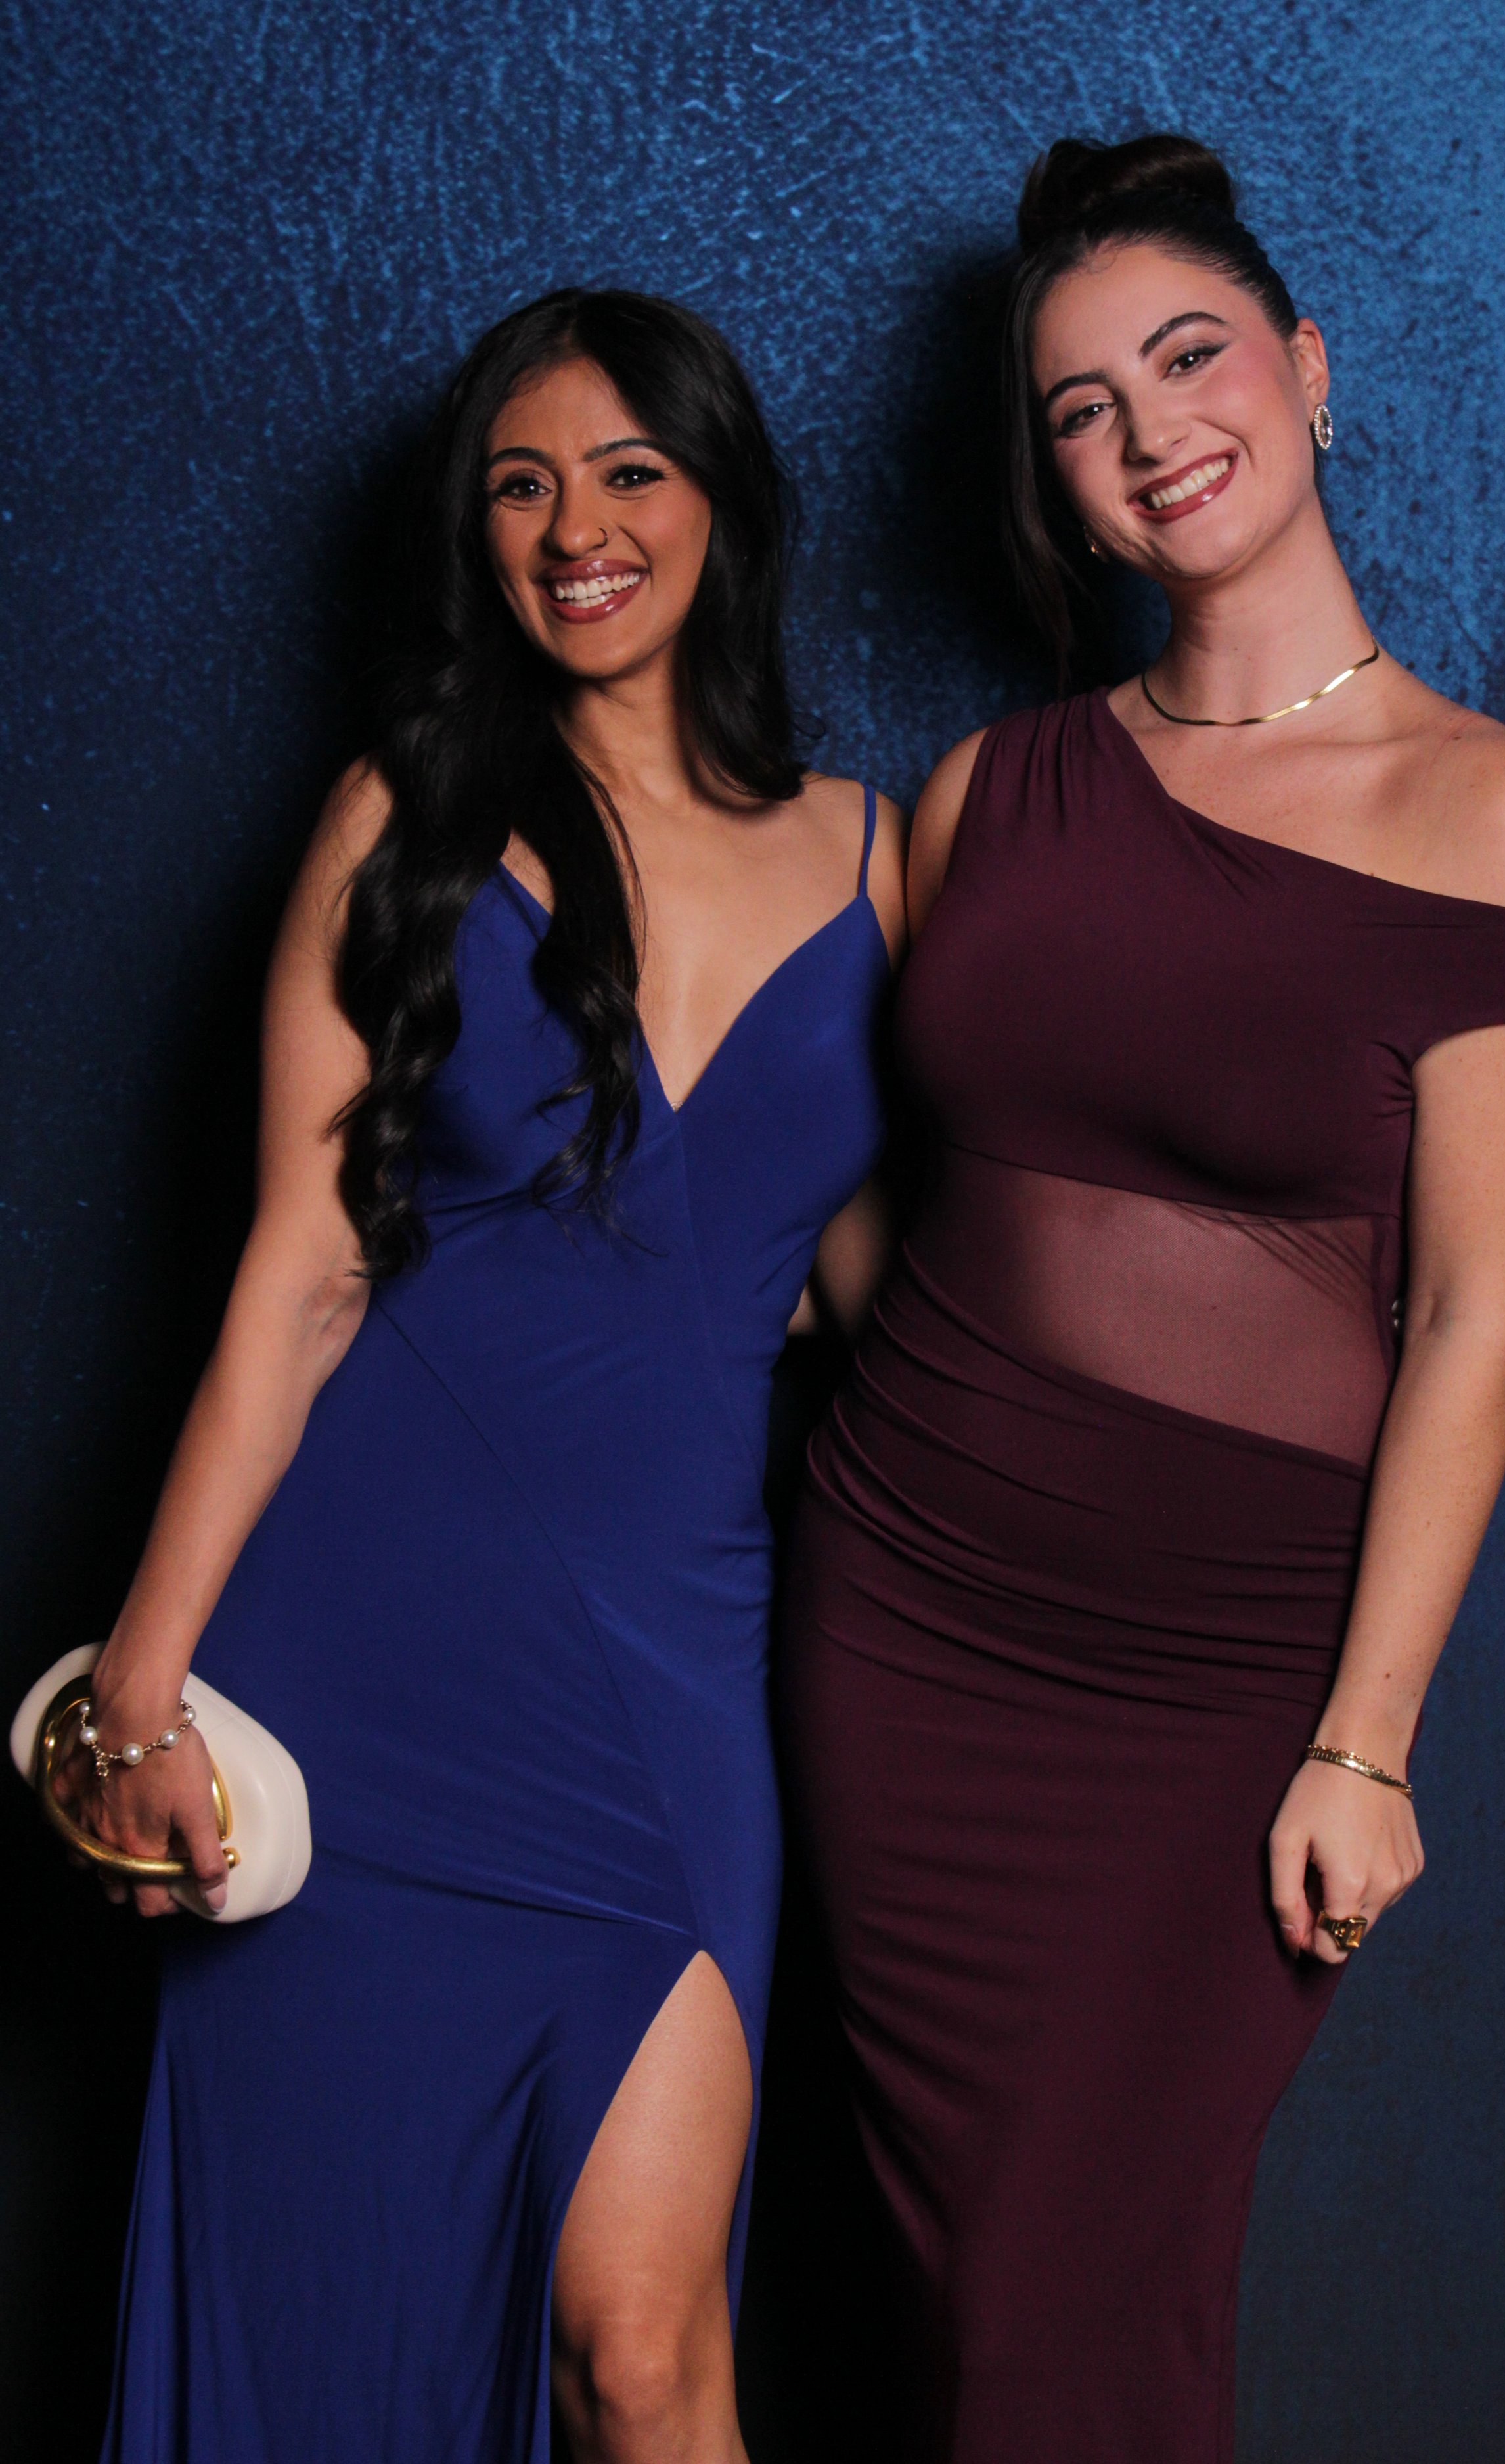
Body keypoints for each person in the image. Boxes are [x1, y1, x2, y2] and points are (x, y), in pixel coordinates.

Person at [778, 133, 1505, 2463]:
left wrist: (1366, 1738)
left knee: (1079, 2302)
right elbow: (865, 1193)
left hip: (1219, 1690)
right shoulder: (983, 791)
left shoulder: (1497, 819)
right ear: (1051, 488)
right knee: (945, 2304)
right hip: (901, 1625)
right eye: (1076, 409)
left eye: (1187, 356)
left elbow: (1468, 1327)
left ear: (1308, 372)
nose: (1148, 432)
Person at [62, 286, 903, 2464]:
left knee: (646, 2351)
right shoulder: (402, 816)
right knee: (330, 2324)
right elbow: (299, 1268)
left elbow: (874, 1289)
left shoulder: (883, 857)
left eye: (630, 471)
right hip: (364, 1668)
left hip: (668, 1684)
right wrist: (138, 1688)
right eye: (522, 485)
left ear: (722, 500)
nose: (576, 528)